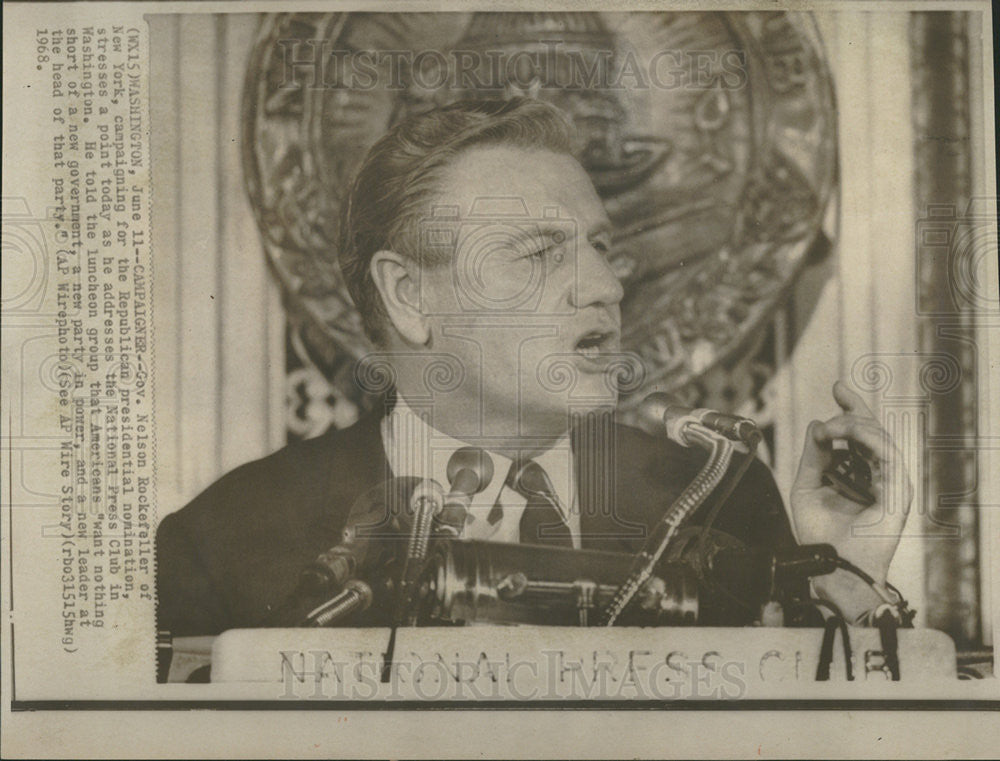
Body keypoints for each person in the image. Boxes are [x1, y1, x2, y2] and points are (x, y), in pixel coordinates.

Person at [156, 98, 911, 637]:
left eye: (600, 248)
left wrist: (841, 573)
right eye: (540, 251)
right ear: (410, 296)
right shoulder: (221, 542)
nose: (607, 287)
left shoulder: (720, 499)